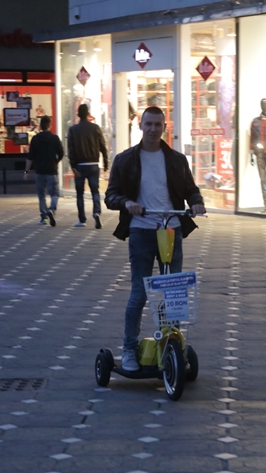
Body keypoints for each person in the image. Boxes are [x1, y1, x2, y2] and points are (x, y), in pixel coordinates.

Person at [105, 106, 206, 372]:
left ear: (164, 127)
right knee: (139, 292)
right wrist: (127, 203)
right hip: (141, 231)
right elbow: (110, 195)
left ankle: (173, 344)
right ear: (140, 125)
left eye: (157, 125)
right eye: (148, 124)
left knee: (174, 292)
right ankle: (129, 348)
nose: (152, 129)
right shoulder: (125, 159)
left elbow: (191, 189)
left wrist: (196, 203)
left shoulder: (176, 159)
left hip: (172, 229)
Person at [67, 103, 109, 228]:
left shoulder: (73, 130)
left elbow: (71, 149)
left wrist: (73, 165)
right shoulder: (95, 128)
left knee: (80, 193)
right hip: (93, 164)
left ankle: (82, 219)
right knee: (95, 191)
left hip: (80, 164)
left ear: (78, 114)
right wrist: (105, 162)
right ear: (88, 114)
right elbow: (102, 146)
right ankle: (96, 212)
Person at [24, 116, 64, 226]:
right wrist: (56, 161)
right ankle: (52, 209)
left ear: (40, 126)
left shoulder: (35, 139)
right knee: (54, 193)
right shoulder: (55, 138)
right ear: (50, 125)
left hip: (39, 170)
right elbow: (61, 153)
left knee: (41, 195)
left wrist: (26, 172)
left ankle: (44, 217)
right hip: (52, 170)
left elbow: (30, 157)